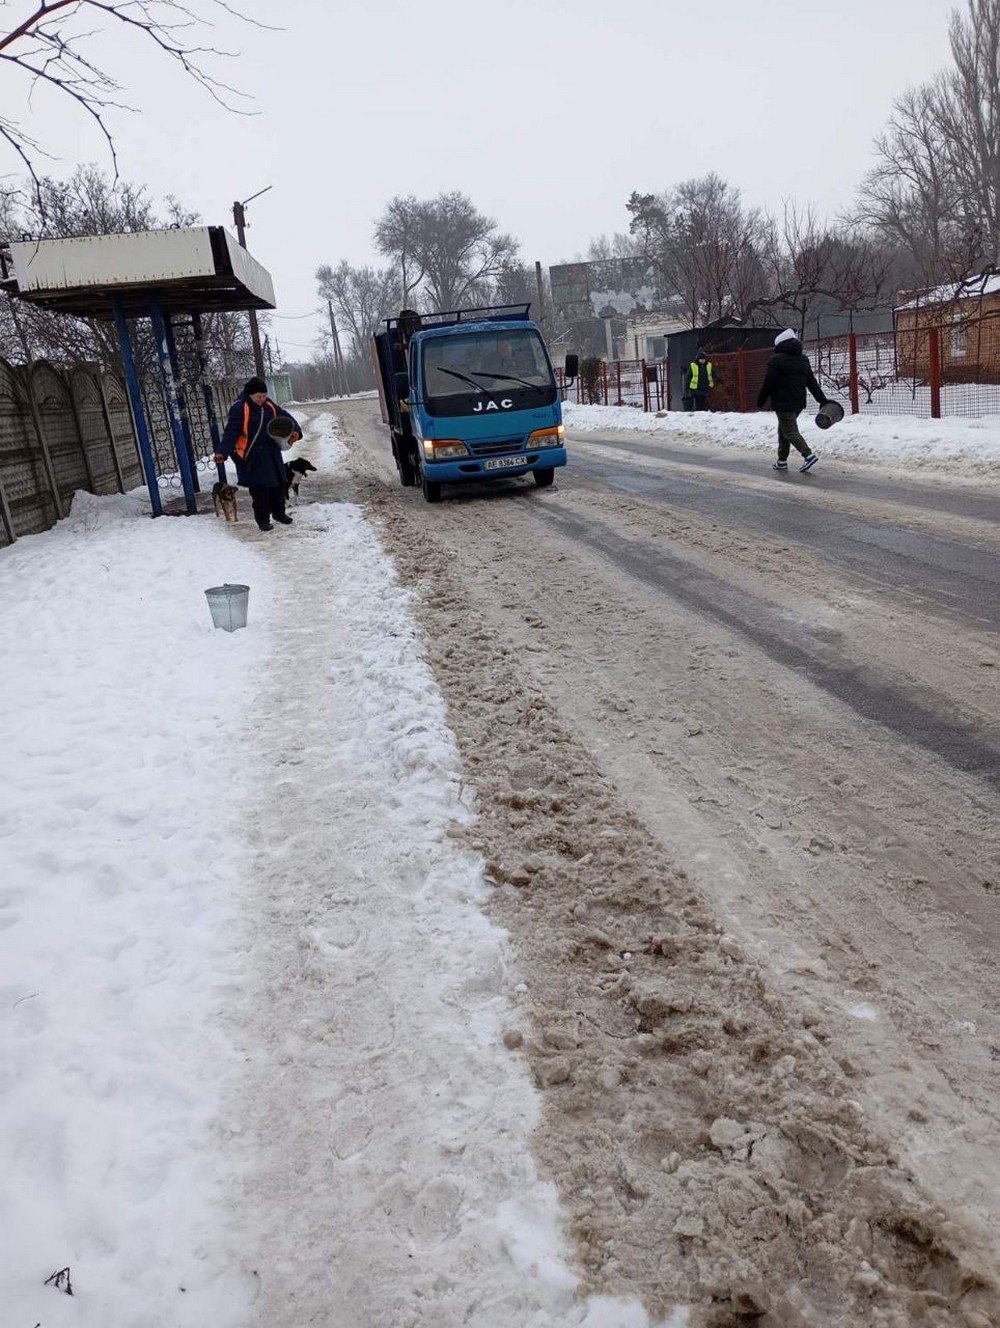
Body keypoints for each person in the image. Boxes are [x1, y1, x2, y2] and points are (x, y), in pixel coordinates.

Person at [214, 378, 302, 531]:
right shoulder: (240, 408)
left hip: (271, 452)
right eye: (258, 397)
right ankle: (263, 520)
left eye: (264, 395)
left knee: (279, 485)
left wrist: (296, 430)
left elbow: (285, 416)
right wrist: (223, 452)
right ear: (249, 395)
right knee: (261, 490)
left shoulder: (268, 405)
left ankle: (279, 513)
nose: (262, 399)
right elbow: (231, 432)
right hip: (251, 457)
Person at [757, 329, 827, 472]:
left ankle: (808, 455)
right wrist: (822, 400)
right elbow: (811, 382)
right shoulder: (803, 360)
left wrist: (761, 400)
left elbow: (768, 382)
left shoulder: (776, 360)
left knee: (789, 431)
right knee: (783, 430)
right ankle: (782, 461)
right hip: (798, 403)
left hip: (783, 402)